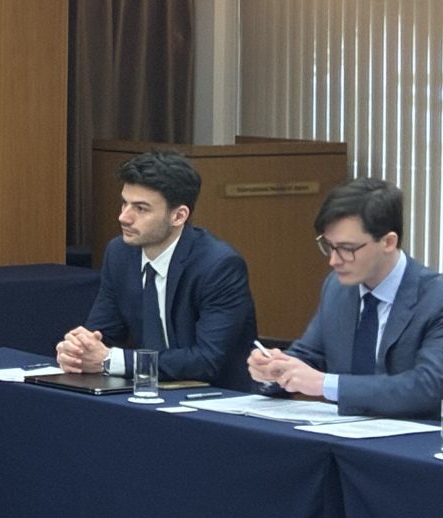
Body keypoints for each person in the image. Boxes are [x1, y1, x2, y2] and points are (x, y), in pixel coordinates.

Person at [57, 150, 257, 390]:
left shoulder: (218, 266)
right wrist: (78, 351)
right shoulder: (120, 253)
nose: (123, 217)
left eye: (141, 208)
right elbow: (102, 334)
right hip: (148, 392)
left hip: (215, 396)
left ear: (179, 216)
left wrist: (112, 360)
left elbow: (207, 360)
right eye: (124, 203)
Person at [248, 178, 443, 419]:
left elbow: (427, 387)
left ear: (388, 242)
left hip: (413, 437)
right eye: (329, 246)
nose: (334, 260)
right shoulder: (337, 287)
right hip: (343, 434)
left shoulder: (435, 297)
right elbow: (310, 356)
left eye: (347, 249)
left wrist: (325, 384)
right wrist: (273, 370)